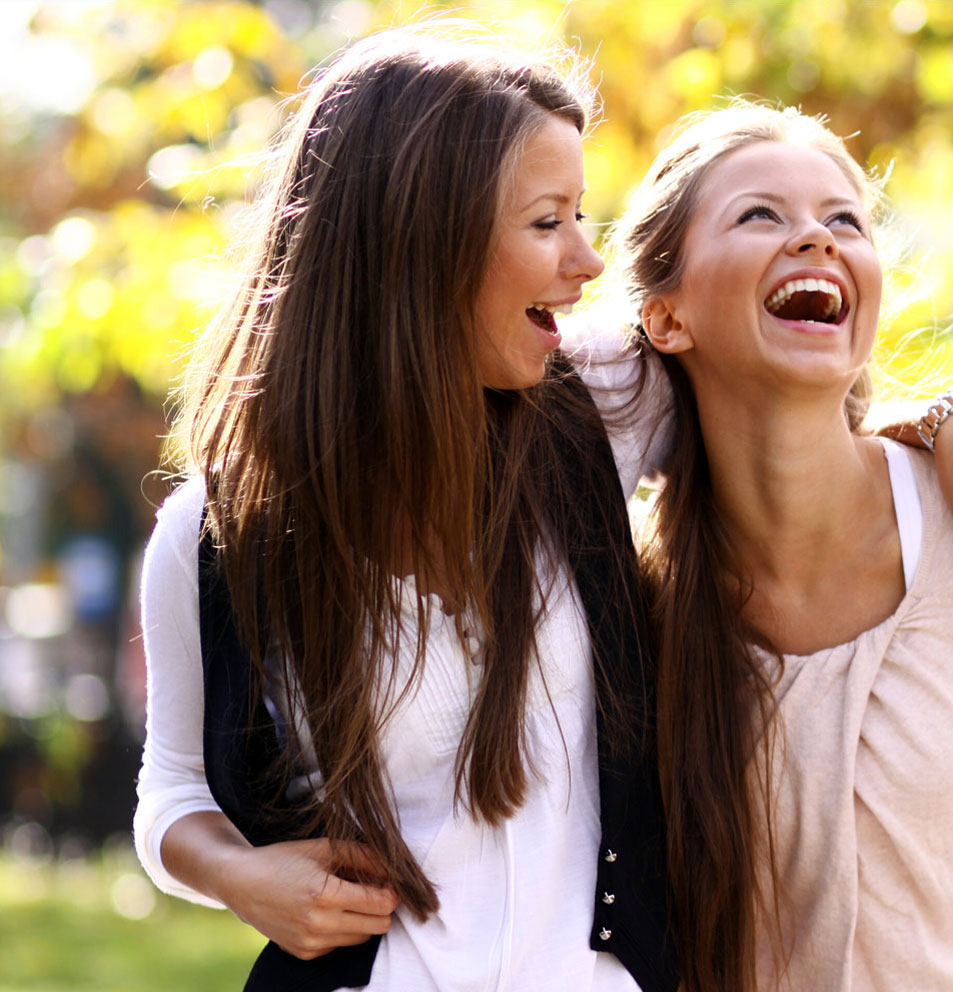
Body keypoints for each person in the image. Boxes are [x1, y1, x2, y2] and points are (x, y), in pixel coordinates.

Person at [133, 24, 679, 992]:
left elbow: (794, 408)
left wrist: (926, 425)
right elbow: (172, 789)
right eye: (547, 221)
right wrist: (241, 875)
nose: (587, 262)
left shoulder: (595, 399)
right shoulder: (219, 533)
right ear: (419, 240)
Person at [616, 101, 953, 992]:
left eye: (844, 219)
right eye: (759, 215)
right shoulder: (629, 601)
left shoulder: (946, 502)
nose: (816, 238)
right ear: (665, 317)